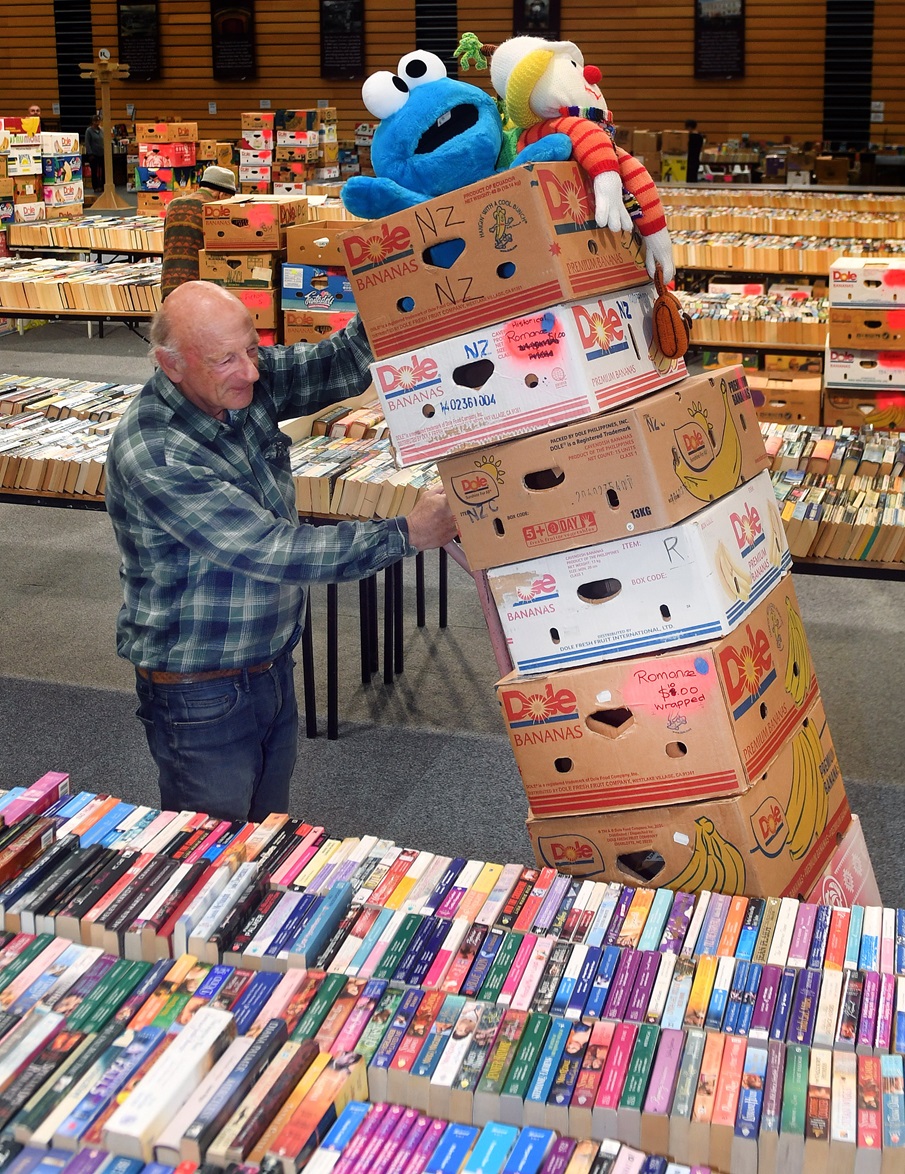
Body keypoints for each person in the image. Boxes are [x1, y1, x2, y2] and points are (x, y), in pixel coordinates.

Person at [104, 281, 457, 823]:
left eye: (252, 349)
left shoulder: (235, 381)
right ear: (170, 365)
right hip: (201, 689)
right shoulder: (158, 451)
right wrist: (407, 532)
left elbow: (337, 361)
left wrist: (397, 279)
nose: (249, 371)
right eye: (226, 359)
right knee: (210, 857)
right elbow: (275, 550)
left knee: (267, 837)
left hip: (266, 661)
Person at [160, 165, 237, 299]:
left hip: (169, 285)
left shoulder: (173, 204)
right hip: (198, 287)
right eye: (229, 198)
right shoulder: (211, 210)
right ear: (222, 194)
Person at [84, 115, 105, 192]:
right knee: (94, 171)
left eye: (98, 121)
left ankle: (103, 185)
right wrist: (90, 153)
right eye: (96, 121)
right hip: (93, 154)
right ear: (92, 122)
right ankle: (95, 186)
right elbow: (87, 143)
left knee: (103, 171)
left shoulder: (102, 130)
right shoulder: (89, 131)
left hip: (102, 153)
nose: (97, 122)